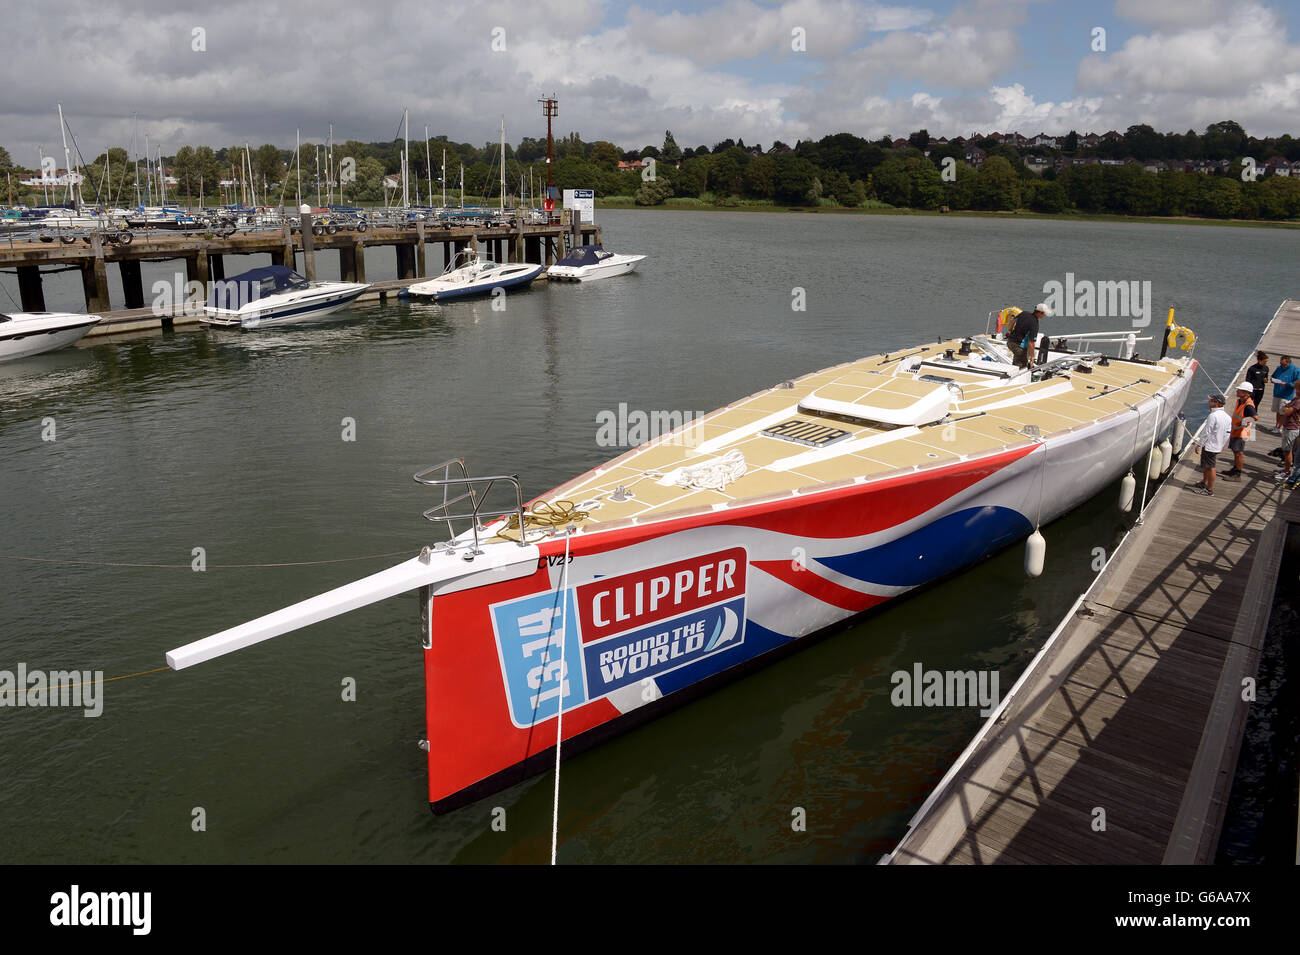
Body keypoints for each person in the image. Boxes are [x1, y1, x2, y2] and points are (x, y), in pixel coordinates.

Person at [1190, 394, 1231, 496]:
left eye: (1211, 400)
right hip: (1217, 445)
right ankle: (1203, 483)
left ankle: (1209, 490)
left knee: (1211, 467)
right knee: (1207, 466)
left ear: (1216, 403)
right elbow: (1228, 433)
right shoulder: (1227, 417)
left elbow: (1206, 432)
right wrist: (1221, 445)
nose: (1209, 402)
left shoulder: (1213, 416)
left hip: (1210, 445)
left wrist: (1199, 444)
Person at [1220, 382, 1257, 480]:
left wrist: (1245, 423)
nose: (1237, 391)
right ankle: (1235, 469)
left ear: (1246, 393)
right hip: (1236, 430)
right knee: (1235, 451)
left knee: (1239, 452)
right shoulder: (1240, 401)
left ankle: (1237, 474)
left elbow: (1255, 417)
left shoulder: (1248, 405)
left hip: (1241, 432)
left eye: (1239, 390)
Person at [1007, 303, 1048, 368]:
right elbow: (1031, 342)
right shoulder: (1034, 324)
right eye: (1044, 314)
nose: (1045, 315)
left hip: (1010, 342)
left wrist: (1009, 331)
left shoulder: (1024, 313)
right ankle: (1017, 375)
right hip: (1019, 346)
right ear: (1040, 313)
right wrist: (1032, 357)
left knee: (1017, 359)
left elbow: (1012, 321)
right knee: (1022, 366)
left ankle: (1013, 368)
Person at [1275, 393, 1300, 487]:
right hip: (1289, 427)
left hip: (1292, 428)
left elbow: (1286, 411)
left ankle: (1287, 472)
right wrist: (1286, 408)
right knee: (1290, 452)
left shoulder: (1298, 401)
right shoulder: (1295, 399)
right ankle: (1288, 471)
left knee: (1288, 451)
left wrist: (1286, 409)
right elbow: (1285, 408)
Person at [1270, 356, 1299, 431]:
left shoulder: (1296, 370)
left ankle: (1278, 427)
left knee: (1283, 412)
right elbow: (1273, 376)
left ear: (1288, 363)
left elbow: (1297, 384)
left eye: (1284, 365)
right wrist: (1272, 380)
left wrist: (1286, 384)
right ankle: (1276, 426)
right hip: (1277, 393)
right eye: (1281, 364)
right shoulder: (1279, 368)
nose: (1282, 366)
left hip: (1286, 395)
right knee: (1278, 411)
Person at [1246, 351, 1269, 426]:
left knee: (1256, 404)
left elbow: (1266, 378)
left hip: (1261, 389)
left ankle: (1252, 418)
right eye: (1265, 361)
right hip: (1253, 390)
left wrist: (1266, 380)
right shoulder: (1252, 369)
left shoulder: (1266, 368)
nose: (1266, 363)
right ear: (1259, 360)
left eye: (1266, 361)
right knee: (1251, 404)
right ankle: (1249, 417)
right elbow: (1248, 380)